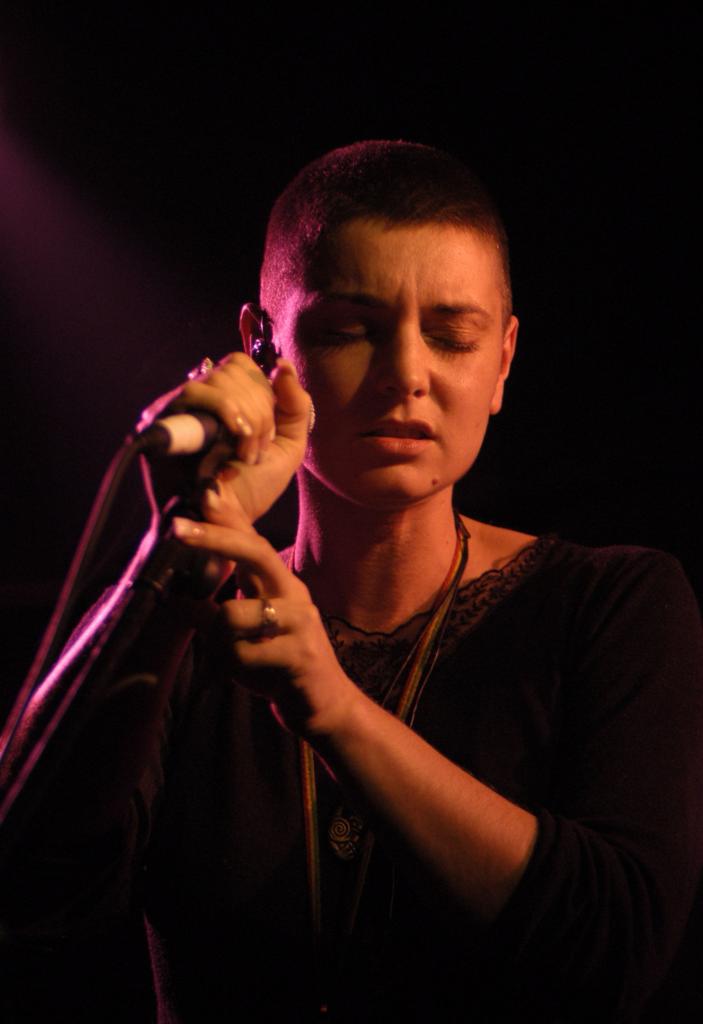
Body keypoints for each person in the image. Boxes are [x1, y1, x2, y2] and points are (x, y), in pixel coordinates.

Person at [1, 140, 702, 1022]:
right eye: (347, 330)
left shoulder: (614, 603)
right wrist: (175, 555)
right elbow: (25, 890)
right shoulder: (189, 617)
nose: (407, 374)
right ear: (263, 345)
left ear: (504, 361)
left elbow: (614, 949)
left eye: (451, 334)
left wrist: (330, 705)